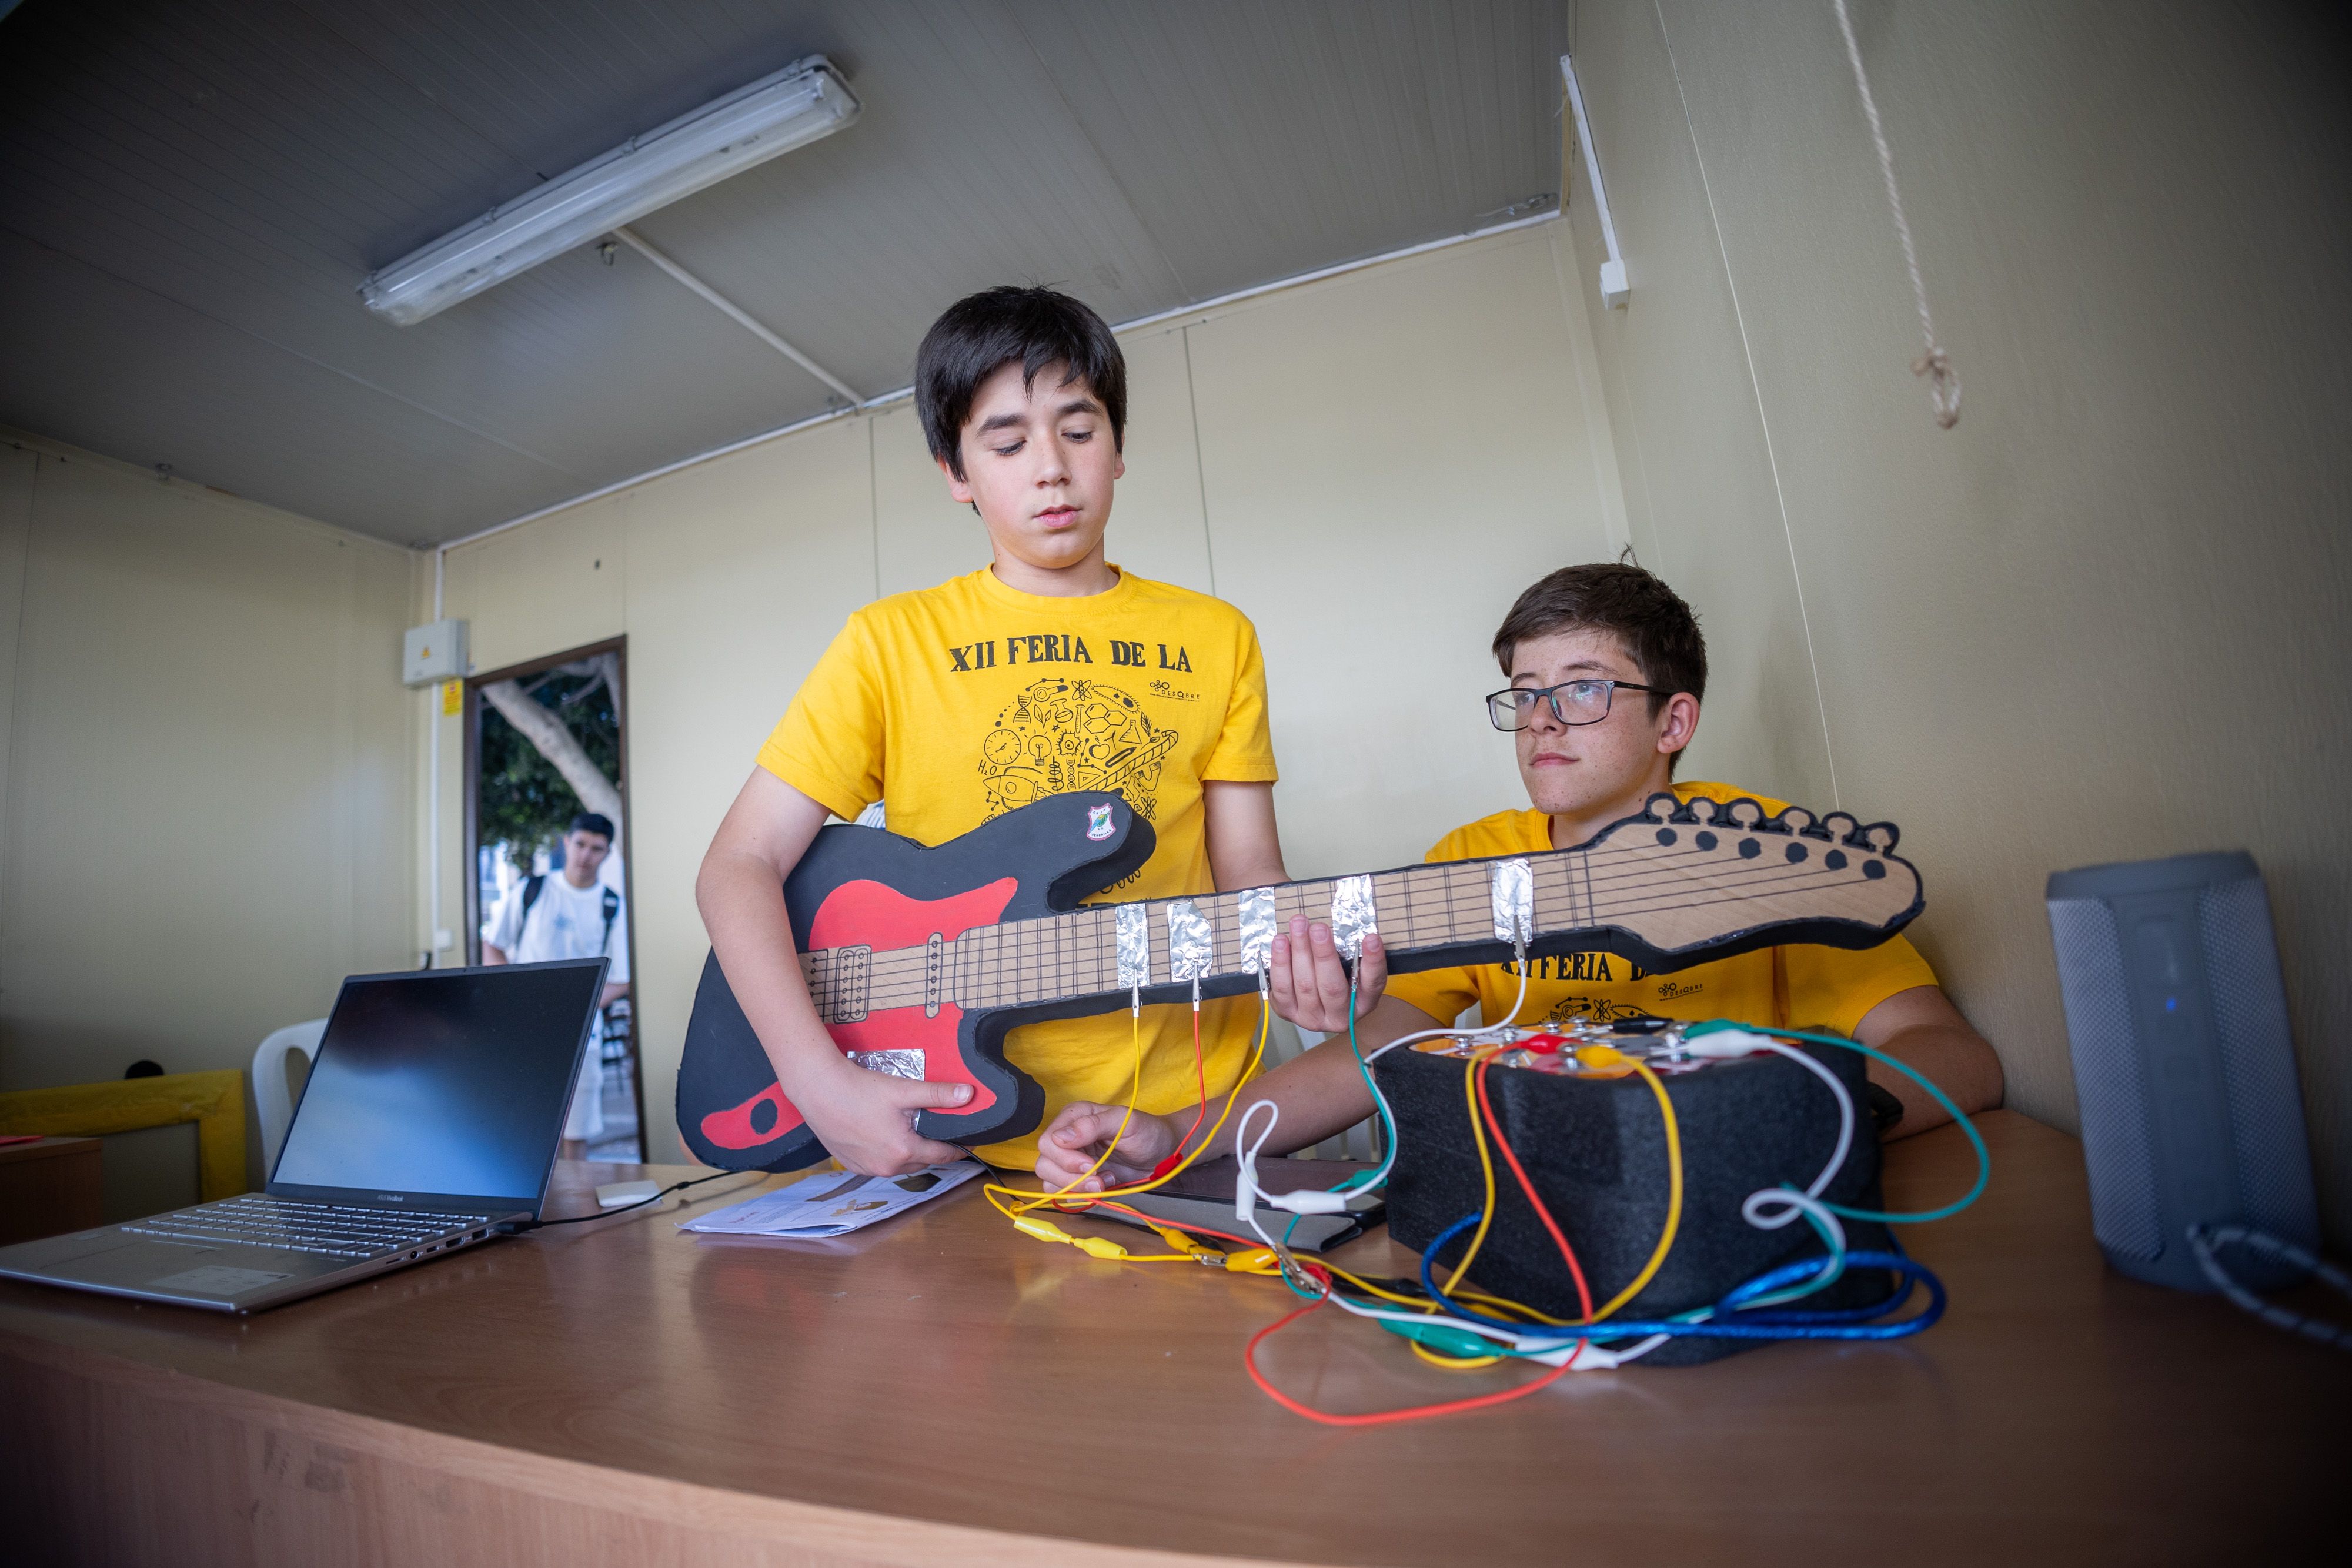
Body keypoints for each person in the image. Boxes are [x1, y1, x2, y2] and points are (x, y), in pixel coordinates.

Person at [1034, 562, 2005, 1191]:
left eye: (1582, 688)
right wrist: (1177, 1136)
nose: (1542, 718)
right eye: (1526, 692)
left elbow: (1954, 1056)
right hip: (1540, 1213)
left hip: (1736, 1209)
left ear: (1674, 722)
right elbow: (1370, 1055)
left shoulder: (1766, 854)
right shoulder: (1472, 861)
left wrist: (1775, 1132)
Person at [697, 285, 1294, 1178]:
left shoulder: (1218, 636)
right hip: (949, 1127)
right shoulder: (888, 642)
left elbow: (1252, 879)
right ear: (956, 472)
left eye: (1079, 429)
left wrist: (1310, 957)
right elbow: (735, 866)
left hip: (1172, 1119)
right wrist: (818, 1081)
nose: (1049, 466)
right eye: (1007, 441)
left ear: (1119, 446)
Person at [483, 812, 632, 1157]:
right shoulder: (533, 890)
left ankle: (574, 1204)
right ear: (566, 843)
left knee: (576, 1136)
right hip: (520, 1031)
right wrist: (509, 990)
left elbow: (621, 980)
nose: (585, 855)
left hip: (582, 1035)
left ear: (607, 854)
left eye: (596, 849)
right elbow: (493, 943)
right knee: (520, 1127)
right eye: (580, 844)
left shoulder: (612, 906)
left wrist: (575, 1006)